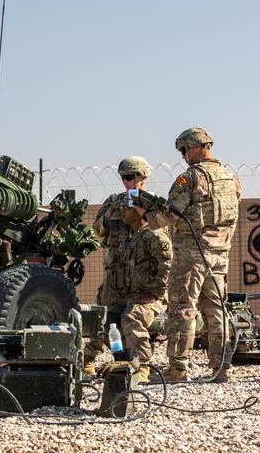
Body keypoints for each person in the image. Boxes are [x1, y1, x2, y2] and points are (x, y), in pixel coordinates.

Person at [145, 127, 242, 382]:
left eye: (184, 150)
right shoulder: (231, 178)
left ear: (198, 147)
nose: (183, 155)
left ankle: (177, 368)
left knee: (182, 309)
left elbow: (170, 214)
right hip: (220, 253)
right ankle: (220, 367)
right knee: (217, 310)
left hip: (191, 254)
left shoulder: (188, 179)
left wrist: (146, 217)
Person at [83, 204, 172, 380]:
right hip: (128, 294)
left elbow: (169, 269)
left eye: (128, 208)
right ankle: (89, 359)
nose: (122, 211)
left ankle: (143, 368)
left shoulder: (154, 235)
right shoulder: (130, 237)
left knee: (132, 317)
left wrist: (155, 293)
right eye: (122, 207)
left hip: (152, 296)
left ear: (141, 211)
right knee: (104, 317)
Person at [93, 156, 151, 308]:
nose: (125, 182)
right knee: (108, 324)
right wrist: (111, 211)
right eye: (123, 177)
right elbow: (98, 230)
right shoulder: (114, 201)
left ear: (143, 176)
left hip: (142, 280)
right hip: (115, 280)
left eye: (129, 177)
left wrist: (141, 211)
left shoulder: (153, 204)